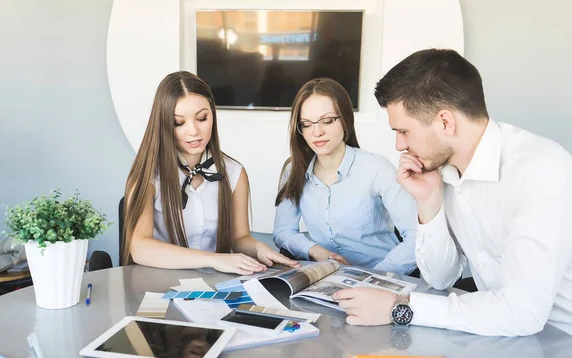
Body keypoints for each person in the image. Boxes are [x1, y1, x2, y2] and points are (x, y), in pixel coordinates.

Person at [332, 49, 572, 336]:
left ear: (446, 122)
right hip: (498, 334)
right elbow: (440, 277)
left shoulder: (541, 169)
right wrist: (428, 203)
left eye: (404, 132)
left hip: (559, 341)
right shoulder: (443, 172)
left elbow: (523, 312)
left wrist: (401, 307)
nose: (398, 145)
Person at [121, 71, 298, 275]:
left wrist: (258, 249)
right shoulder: (149, 175)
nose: (194, 131)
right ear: (163, 124)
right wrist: (214, 260)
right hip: (158, 283)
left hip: (215, 286)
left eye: (202, 118)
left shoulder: (234, 173)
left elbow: (239, 239)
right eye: (179, 123)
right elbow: (139, 248)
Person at [273, 77, 418, 275]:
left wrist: (370, 278)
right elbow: (283, 232)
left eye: (327, 121)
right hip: (329, 275)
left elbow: (416, 238)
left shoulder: (376, 168)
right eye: (307, 124)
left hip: (381, 277)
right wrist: (315, 251)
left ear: (345, 120)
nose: (317, 132)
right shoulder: (294, 170)